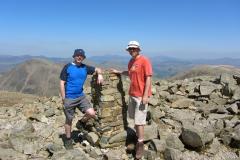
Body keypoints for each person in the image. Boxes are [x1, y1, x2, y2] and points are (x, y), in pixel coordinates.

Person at [111, 41, 152, 159]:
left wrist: (145, 96)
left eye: (134, 49)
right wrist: (119, 72)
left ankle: (140, 143)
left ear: (138, 49)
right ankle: (138, 136)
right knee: (134, 118)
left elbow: (148, 78)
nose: (132, 51)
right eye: (130, 49)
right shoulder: (131, 62)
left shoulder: (144, 60)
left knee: (139, 121)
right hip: (132, 94)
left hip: (141, 96)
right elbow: (129, 73)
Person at [60, 49, 103, 149]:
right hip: (69, 98)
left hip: (80, 96)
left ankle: (81, 123)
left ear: (83, 58)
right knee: (69, 120)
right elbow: (62, 83)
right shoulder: (67, 67)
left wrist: (100, 75)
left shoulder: (85, 67)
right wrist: (63, 98)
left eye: (81, 56)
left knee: (92, 113)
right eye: (77, 55)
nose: (79, 57)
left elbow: (98, 69)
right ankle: (68, 139)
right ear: (74, 56)